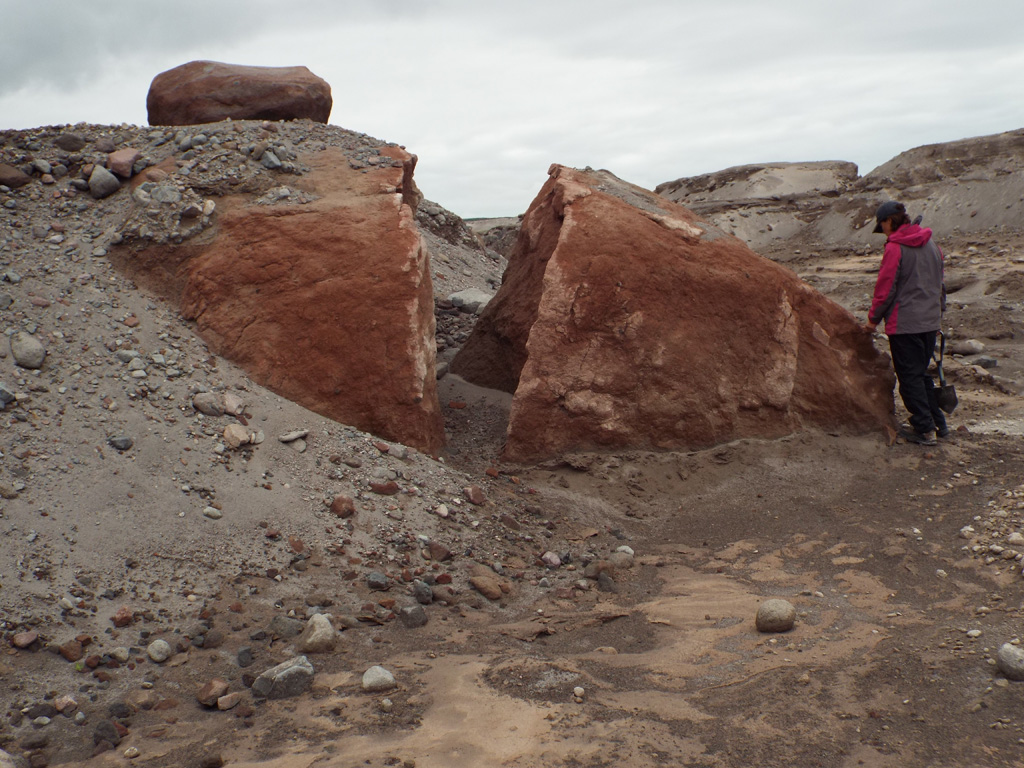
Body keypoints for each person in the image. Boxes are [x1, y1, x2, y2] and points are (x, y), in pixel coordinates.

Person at [866, 200, 949, 446]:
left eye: (882, 225)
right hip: (929, 322)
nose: (884, 231)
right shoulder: (933, 244)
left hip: (905, 324)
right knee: (921, 373)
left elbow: (885, 288)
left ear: (889, 221)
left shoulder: (895, 248)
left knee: (910, 377)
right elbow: (940, 284)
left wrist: (873, 320)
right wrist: (937, 314)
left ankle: (924, 430)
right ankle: (939, 424)